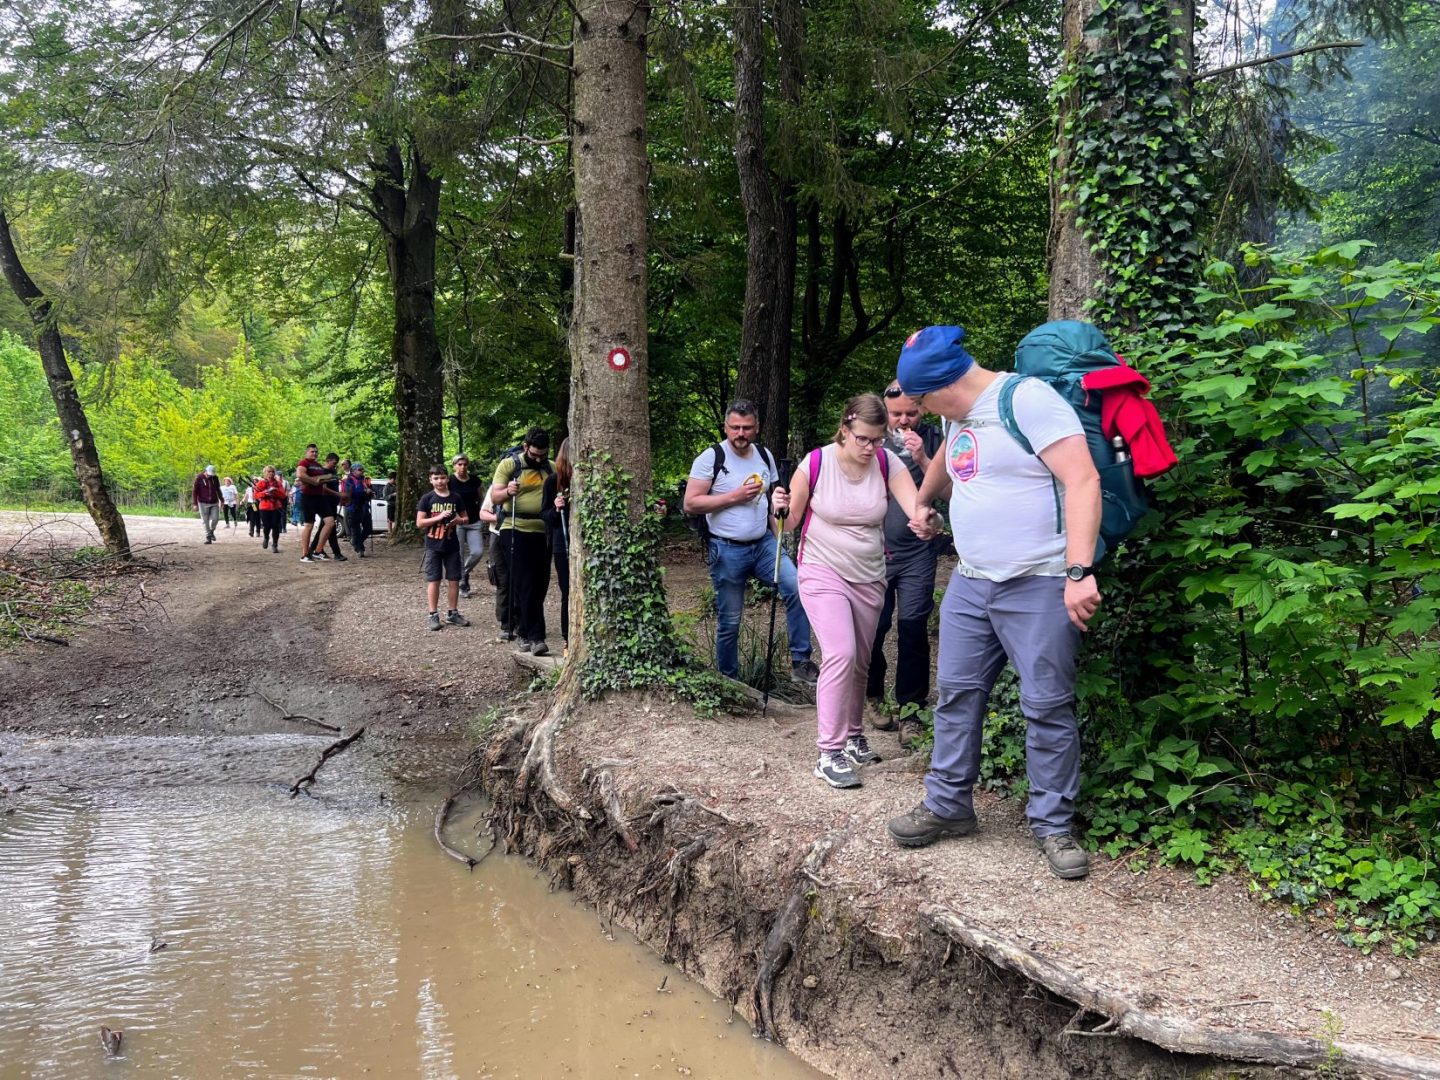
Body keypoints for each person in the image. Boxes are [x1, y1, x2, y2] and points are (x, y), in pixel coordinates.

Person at [885, 325, 1102, 881]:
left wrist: (1079, 572)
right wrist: (926, 500)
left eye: (921, 402)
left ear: (940, 389)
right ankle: (949, 805)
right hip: (971, 581)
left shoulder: (1027, 401)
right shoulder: (958, 412)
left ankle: (1053, 824)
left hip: (1039, 581)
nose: (920, 411)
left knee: (1047, 704)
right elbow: (950, 458)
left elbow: (1082, 481)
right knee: (956, 694)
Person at [774, 395, 928, 789]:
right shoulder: (816, 463)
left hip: (869, 573)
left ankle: (856, 736)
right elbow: (788, 525)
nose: (870, 447)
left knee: (861, 658)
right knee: (840, 652)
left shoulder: (886, 462)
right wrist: (775, 508)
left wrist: (926, 520)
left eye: (877, 439)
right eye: (862, 438)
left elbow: (914, 505)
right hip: (822, 569)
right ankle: (829, 752)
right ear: (845, 428)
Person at [682, 400, 816, 684]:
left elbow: (772, 502)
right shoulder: (711, 457)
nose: (740, 433)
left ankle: (800, 661)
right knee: (730, 620)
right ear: (726, 427)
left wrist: (781, 530)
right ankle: (730, 680)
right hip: (726, 548)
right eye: (735, 427)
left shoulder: (765, 456)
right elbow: (691, 503)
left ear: (757, 428)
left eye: (747, 427)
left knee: (798, 586)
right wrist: (735, 496)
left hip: (764, 544)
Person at [866, 382, 947, 749]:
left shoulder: (939, 437)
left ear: (923, 409)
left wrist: (923, 460)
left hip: (917, 553)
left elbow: (954, 489)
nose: (903, 420)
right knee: (874, 628)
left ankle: (912, 710)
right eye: (895, 414)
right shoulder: (868, 439)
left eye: (910, 413)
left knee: (913, 627)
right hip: (874, 553)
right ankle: (872, 694)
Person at [489, 429, 555, 656]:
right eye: (535, 454)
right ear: (526, 446)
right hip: (514, 527)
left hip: (544, 530)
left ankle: (523, 629)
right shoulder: (509, 465)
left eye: (543, 455)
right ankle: (536, 637)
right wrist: (508, 490)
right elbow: (495, 497)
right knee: (525, 581)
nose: (538, 459)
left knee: (540, 582)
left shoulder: (551, 468)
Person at [415, 464, 472, 632]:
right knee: (434, 579)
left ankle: (452, 613)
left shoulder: (456, 497)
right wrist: (438, 517)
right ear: (431, 480)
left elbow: (466, 518)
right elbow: (419, 523)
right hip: (433, 545)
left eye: (442, 477)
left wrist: (457, 521)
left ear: (448, 478)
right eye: (436, 478)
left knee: (454, 579)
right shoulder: (427, 499)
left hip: (452, 544)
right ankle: (433, 614)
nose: (440, 481)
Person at [541, 438, 572, 648]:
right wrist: (556, 508)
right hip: (562, 542)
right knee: (567, 589)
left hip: (584, 542)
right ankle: (567, 636)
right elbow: (545, 515)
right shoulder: (553, 481)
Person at [447, 454, 486, 598]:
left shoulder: (475, 480)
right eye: (459, 464)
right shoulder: (450, 481)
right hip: (457, 522)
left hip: (474, 520)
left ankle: (463, 573)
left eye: (465, 464)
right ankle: (463, 584)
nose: (462, 467)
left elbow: (481, 497)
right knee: (459, 553)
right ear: (454, 465)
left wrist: (483, 511)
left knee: (477, 552)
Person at [295, 445, 336, 564]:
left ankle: (318, 551)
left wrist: (328, 478)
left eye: (316, 452)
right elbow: (300, 475)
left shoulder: (318, 465)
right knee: (309, 525)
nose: (314, 453)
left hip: (320, 497)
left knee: (330, 522)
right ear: (307, 452)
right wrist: (313, 481)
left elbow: (321, 481)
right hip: (308, 497)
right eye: (312, 451)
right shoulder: (304, 462)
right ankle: (305, 554)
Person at [305, 453, 348, 563]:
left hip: (333, 502)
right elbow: (323, 488)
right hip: (325, 501)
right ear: (328, 460)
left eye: (336, 464)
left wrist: (340, 496)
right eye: (334, 463)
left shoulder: (333, 472)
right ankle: (333, 553)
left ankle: (315, 551)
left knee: (326, 528)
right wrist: (338, 494)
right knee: (329, 528)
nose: (335, 465)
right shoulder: (322, 472)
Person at [342, 463, 374, 557]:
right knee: (356, 529)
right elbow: (350, 493)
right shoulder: (349, 480)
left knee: (368, 528)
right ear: (353, 471)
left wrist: (370, 493)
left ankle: (356, 542)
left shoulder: (364, 480)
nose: (361, 471)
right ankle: (360, 548)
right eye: (359, 469)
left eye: (362, 469)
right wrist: (364, 492)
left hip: (364, 506)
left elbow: (367, 490)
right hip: (353, 507)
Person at [253, 465, 286, 553]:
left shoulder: (278, 484)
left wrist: (275, 492)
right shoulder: (261, 483)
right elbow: (256, 495)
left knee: (276, 526)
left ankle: (275, 544)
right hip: (264, 507)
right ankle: (266, 537)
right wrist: (265, 493)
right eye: (269, 471)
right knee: (267, 526)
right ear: (265, 473)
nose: (271, 473)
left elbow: (283, 495)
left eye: (272, 471)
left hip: (276, 507)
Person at [192, 465, 221, 544]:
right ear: (205, 471)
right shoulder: (199, 478)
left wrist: (222, 500)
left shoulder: (215, 478)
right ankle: (208, 537)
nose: (209, 476)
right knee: (205, 521)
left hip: (214, 502)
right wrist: (195, 503)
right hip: (202, 502)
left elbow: (218, 489)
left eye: (211, 474)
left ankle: (211, 531)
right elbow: (195, 491)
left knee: (216, 518)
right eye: (208, 474)